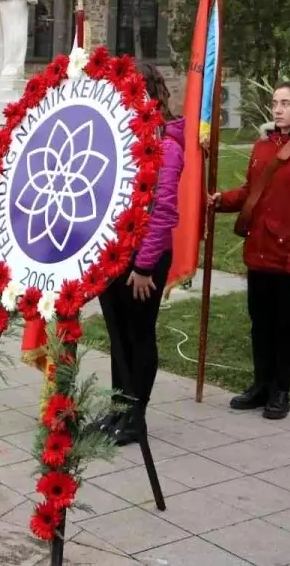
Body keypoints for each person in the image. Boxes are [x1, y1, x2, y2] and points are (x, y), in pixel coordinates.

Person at [212, 80, 290, 420]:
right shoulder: (264, 146)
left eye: (286, 103)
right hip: (261, 251)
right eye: (275, 103)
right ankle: (261, 385)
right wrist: (221, 201)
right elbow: (251, 191)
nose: (278, 109)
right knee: (261, 322)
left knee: (288, 325)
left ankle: (281, 389)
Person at [94, 65, 184, 445]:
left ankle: (135, 416)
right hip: (111, 257)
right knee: (117, 336)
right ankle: (118, 407)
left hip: (142, 261)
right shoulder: (115, 140)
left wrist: (145, 265)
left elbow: (162, 211)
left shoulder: (166, 146)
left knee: (137, 334)